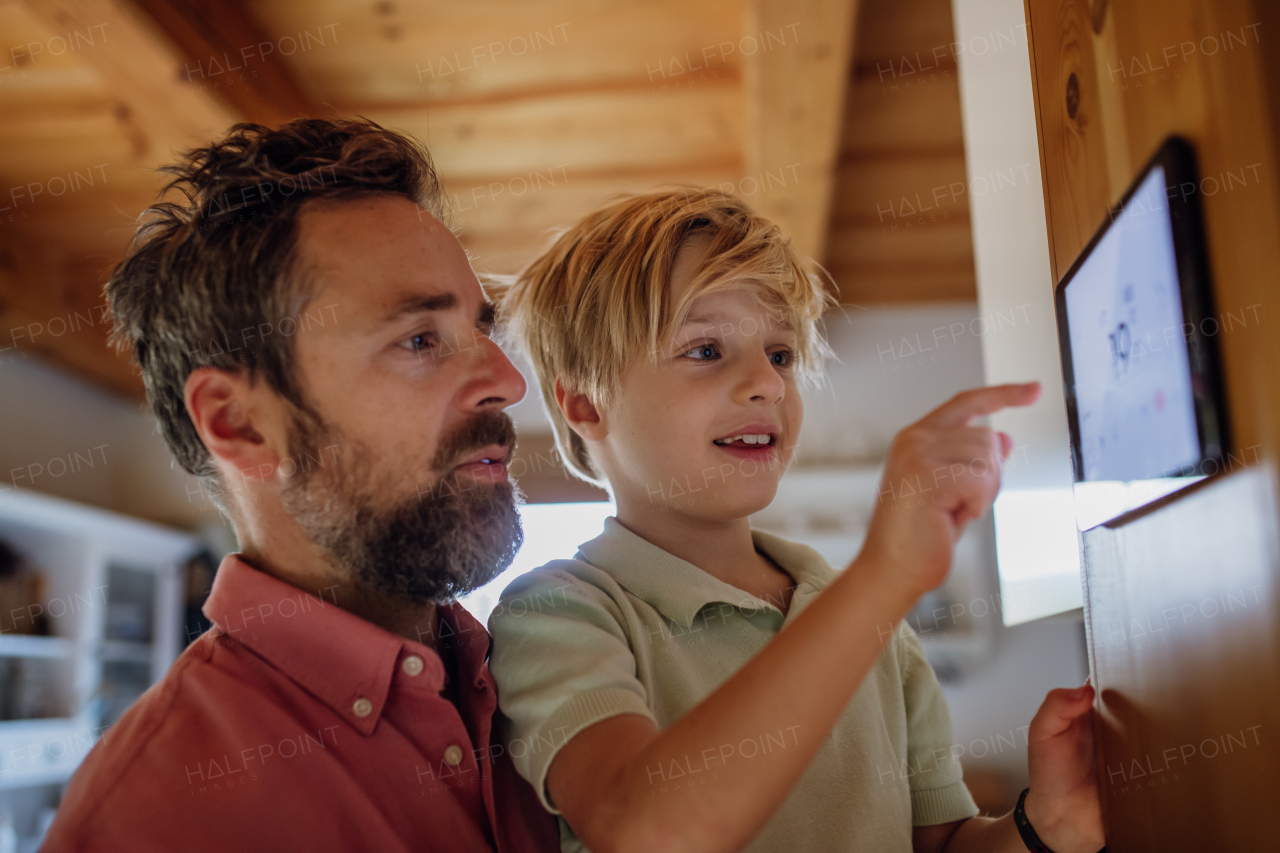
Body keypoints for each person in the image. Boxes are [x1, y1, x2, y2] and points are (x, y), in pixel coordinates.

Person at [488, 189, 1105, 853]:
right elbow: (642, 830)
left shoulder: (879, 630)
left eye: (780, 354)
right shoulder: (558, 614)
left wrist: (1047, 825)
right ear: (585, 403)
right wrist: (883, 576)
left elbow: (943, 843)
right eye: (705, 350)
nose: (769, 383)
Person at [42, 119, 558, 852]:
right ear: (241, 423)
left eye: (481, 331)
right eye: (419, 339)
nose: (507, 383)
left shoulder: (547, 670)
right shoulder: (154, 819)